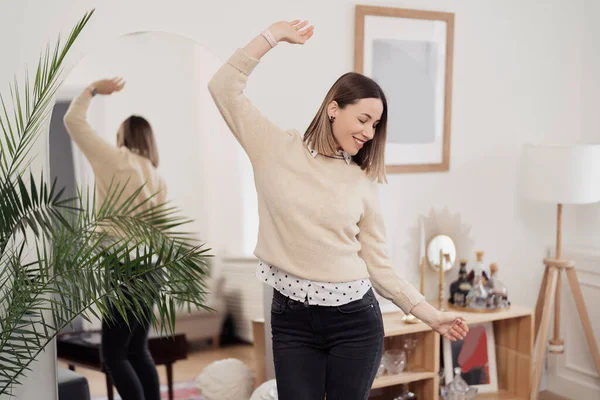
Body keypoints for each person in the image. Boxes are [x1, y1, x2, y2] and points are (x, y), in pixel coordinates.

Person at [208, 19, 469, 400]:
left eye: (375, 125)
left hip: (354, 323)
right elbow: (223, 88)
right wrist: (272, 37)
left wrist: (432, 316)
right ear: (333, 108)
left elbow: (379, 264)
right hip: (291, 319)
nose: (368, 132)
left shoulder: (362, 183)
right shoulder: (275, 148)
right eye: (363, 119)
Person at [63, 78, 166, 400]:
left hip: (125, 268)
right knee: (136, 350)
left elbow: (73, 121)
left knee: (114, 355)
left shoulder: (114, 158)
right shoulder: (155, 173)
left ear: (122, 136)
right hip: (151, 268)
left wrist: (92, 90)